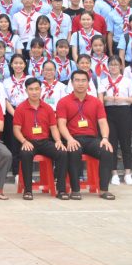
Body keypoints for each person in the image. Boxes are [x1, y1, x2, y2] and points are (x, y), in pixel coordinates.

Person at [55, 70, 115, 199]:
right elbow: (61, 124)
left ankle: (103, 189)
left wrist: (105, 138)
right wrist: (69, 139)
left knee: (107, 151)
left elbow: (103, 122)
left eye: (83, 80)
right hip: (72, 138)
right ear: (72, 83)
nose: (80, 83)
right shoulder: (63, 102)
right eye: (77, 80)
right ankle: (75, 190)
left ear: (88, 83)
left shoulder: (96, 102)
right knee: (74, 150)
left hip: (91, 139)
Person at [100, 55, 132, 186]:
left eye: (116, 64)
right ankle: (114, 173)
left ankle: (127, 173)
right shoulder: (103, 81)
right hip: (109, 112)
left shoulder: (127, 81)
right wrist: (108, 98)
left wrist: (123, 99)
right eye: (111, 64)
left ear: (121, 66)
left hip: (124, 112)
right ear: (108, 66)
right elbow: (100, 97)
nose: (114, 67)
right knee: (112, 143)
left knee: (126, 143)